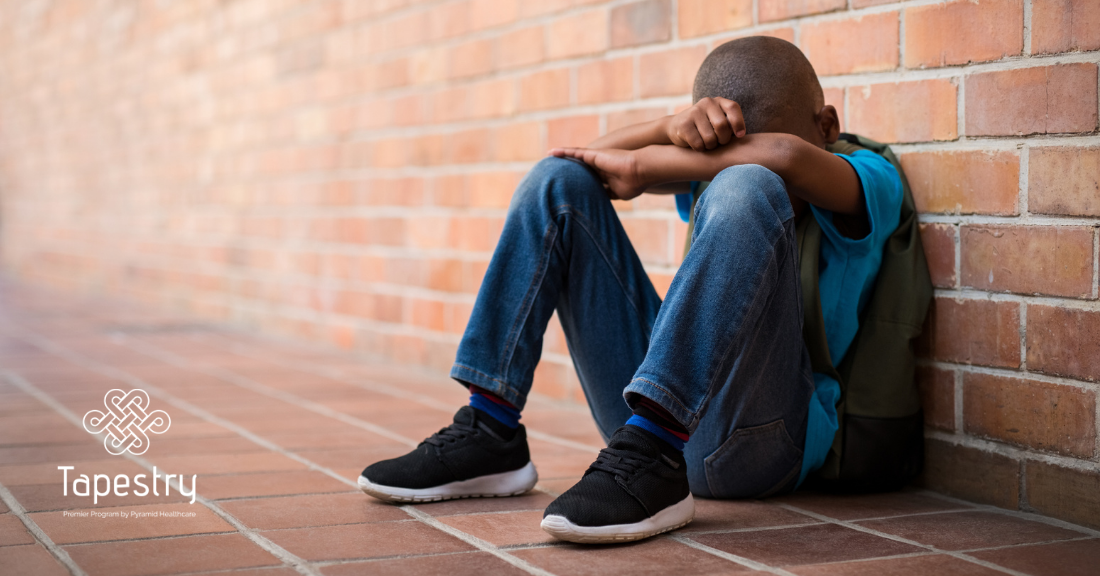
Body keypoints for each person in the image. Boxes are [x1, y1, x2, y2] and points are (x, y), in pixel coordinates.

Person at [357, 36, 903, 544]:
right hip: (644, 426)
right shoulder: (714, 170)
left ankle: (656, 455)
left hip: (763, 443)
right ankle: (491, 426)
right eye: (720, 154)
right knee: (558, 182)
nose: (721, 167)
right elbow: (585, 160)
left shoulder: (866, 177)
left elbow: (783, 158)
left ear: (827, 124)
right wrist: (671, 127)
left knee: (750, 184)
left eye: (731, 153)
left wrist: (646, 165)